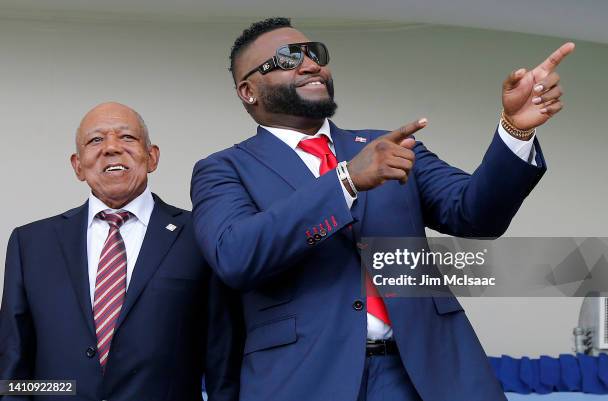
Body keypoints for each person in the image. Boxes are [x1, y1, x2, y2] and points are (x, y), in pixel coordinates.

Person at [190, 18, 574, 401]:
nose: (311, 65)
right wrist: (345, 181)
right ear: (249, 90)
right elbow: (236, 255)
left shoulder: (388, 147)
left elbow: (475, 214)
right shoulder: (223, 169)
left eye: (315, 54)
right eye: (289, 59)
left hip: (423, 375)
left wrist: (515, 130)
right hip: (305, 380)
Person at [0, 102, 242, 401]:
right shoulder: (31, 243)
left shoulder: (199, 234)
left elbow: (223, 355)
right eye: (95, 140)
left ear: (151, 157)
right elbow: (14, 363)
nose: (111, 147)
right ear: (78, 165)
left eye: (127, 137)